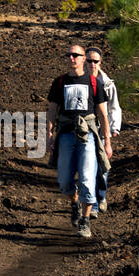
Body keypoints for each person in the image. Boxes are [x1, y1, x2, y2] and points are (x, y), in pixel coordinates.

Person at [45, 45, 113, 238]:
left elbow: (102, 114)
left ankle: (85, 221)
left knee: (86, 177)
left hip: (88, 135)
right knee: (65, 182)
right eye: (69, 55)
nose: (71, 58)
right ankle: (74, 202)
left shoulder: (94, 83)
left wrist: (107, 141)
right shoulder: (59, 82)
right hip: (66, 133)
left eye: (76, 55)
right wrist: (49, 135)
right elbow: (51, 110)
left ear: (83, 59)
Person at [87, 48, 120, 215]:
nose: (92, 64)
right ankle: (91, 205)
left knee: (103, 167)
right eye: (89, 61)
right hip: (85, 129)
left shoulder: (107, 84)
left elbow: (114, 107)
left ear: (100, 63)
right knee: (88, 167)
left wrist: (114, 128)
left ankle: (101, 197)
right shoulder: (79, 81)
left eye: (95, 61)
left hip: (102, 131)